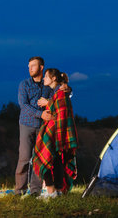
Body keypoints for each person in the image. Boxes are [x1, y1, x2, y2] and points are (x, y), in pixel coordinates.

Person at [33, 68, 78, 199]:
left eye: (46, 77)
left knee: (45, 157)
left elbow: (61, 113)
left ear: (53, 78)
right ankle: (56, 190)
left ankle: (52, 190)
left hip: (54, 130)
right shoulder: (56, 91)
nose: (43, 79)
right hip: (52, 129)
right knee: (56, 159)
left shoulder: (61, 92)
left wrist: (48, 103)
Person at [15, 56, 53, 197]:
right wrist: (40, 114)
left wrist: (69, 89)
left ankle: (35, 191)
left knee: (39, 159)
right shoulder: (24, 84)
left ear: (41, 67)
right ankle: (20, 190)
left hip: (43, 127)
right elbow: (23, 105)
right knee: (24, 158)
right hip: (26, 124)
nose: (30, 68)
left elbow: (62, 94)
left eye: (33, 65)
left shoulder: (48, 85)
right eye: (29, 66)